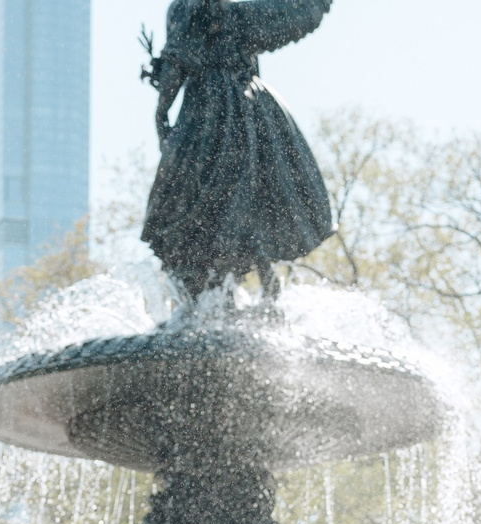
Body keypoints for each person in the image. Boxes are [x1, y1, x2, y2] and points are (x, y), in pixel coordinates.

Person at [140, 0, 337, 301]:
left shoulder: (186, 7)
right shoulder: (243, 13)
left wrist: (161, 115)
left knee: (194, 199)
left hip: (208, 106)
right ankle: (264, 282)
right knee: (247, 196)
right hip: (251, 108)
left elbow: (176, 62)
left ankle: (204, 292)